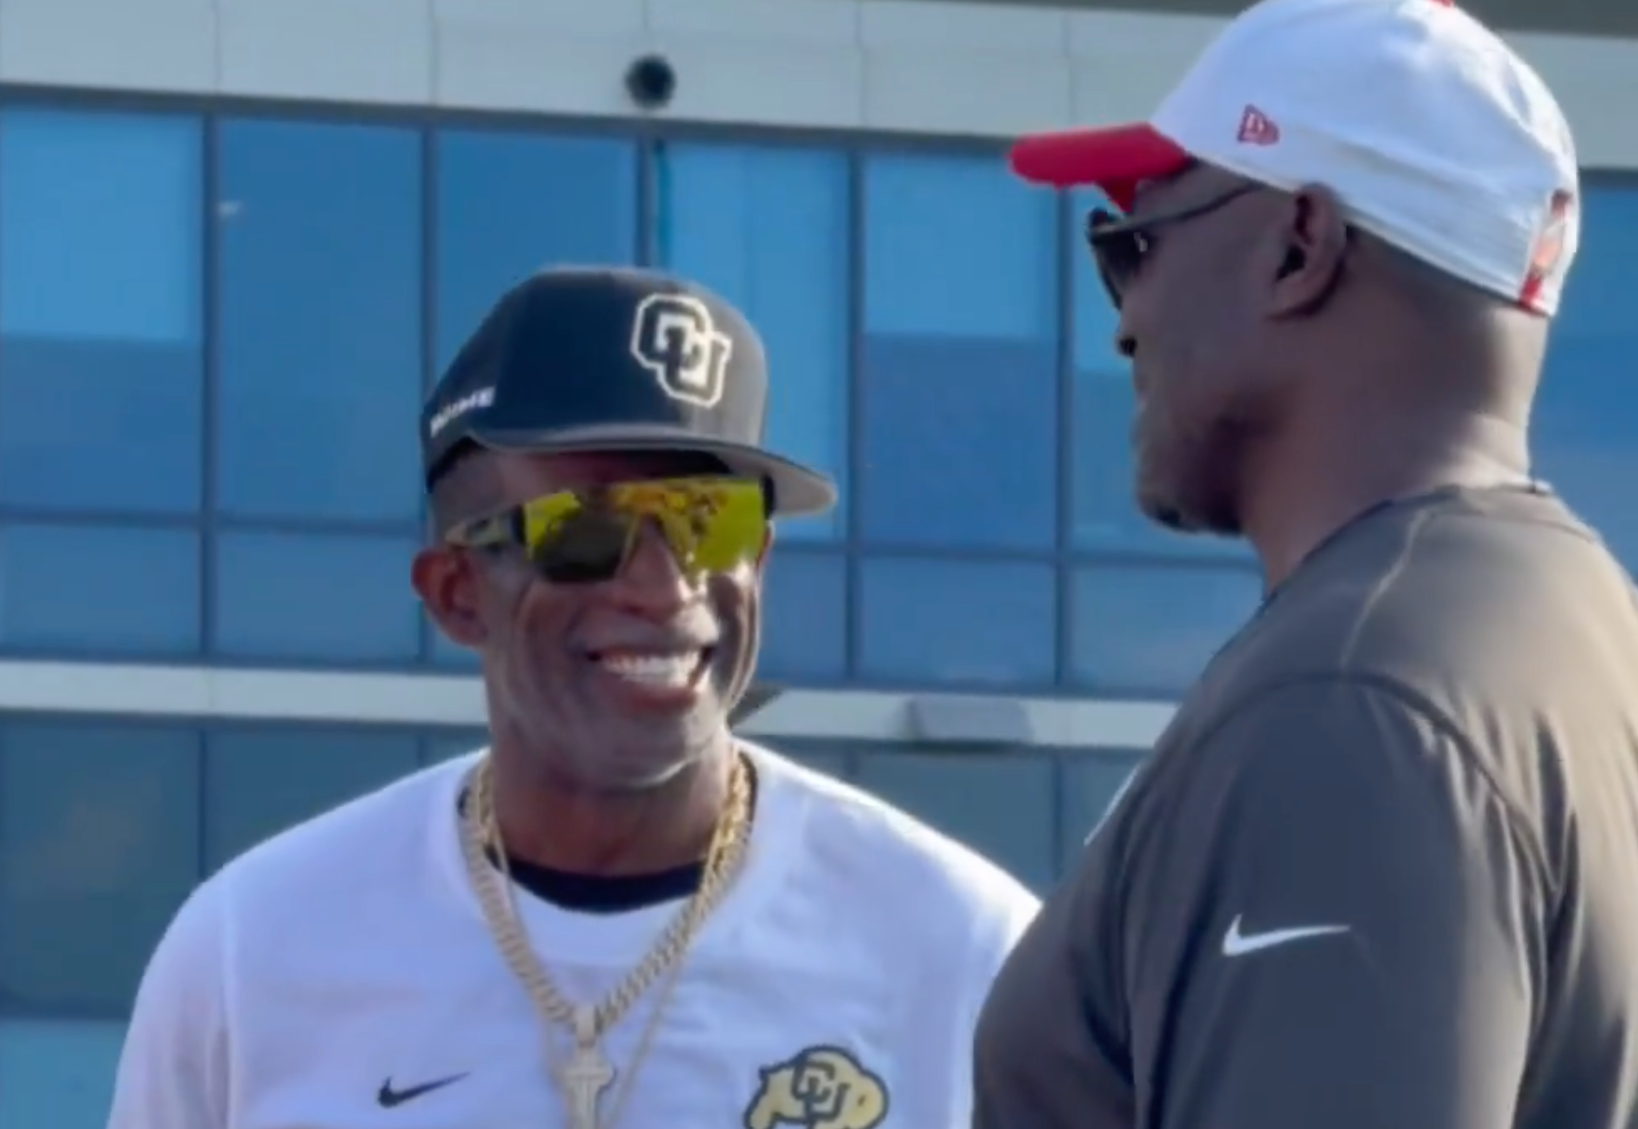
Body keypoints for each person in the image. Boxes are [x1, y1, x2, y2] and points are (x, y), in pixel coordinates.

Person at [971, 0, 1638, 1127]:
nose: (1126, 322)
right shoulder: (1605, 654)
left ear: (1298, 246)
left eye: (1135, 244)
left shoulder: (1348, 702)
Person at [107, 265, 1038, 1128]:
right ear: (455, 592)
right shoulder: (254, 947)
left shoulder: (960, 945)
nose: (667, 588)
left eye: (711, 523)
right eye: (588, 533)